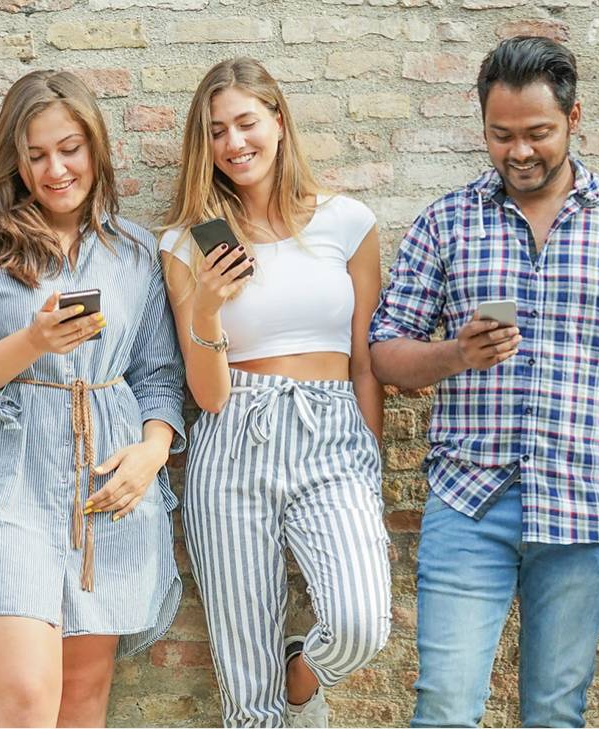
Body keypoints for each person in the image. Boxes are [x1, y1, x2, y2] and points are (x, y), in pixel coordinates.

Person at [368, 36, 599, 728]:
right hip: (469, 503)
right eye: (501, 134)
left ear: (574, 120)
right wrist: (455, 354)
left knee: (553, 711)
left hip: (584, 508)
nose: (519, 151)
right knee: (446, 706)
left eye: (538, 133)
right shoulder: (445, 223)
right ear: (482, 126)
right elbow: (385, 355)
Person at [0, 69, 186, 728]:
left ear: (95, 146)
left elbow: (158, 374)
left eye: (69, 148)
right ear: (13, 158)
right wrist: (33, 340)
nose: (54, 168)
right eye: (35, 154)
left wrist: (151, 454)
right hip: (5, 482)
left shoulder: (135, 252)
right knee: (28, 697)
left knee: (84, 696)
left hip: (107, 483)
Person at [157, 58, 389, 728]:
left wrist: (367, 457)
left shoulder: (348, 222)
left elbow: (366, 361)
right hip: (235, 439)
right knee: (245, 694)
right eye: (217, 131)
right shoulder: (185, 244)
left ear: (279, 121)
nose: (234, 143)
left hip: (333, 433)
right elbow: (210, 397)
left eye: (246, 122)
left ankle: (301, 673)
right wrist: (205, 308)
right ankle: (268, 696)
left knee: (360, 621)